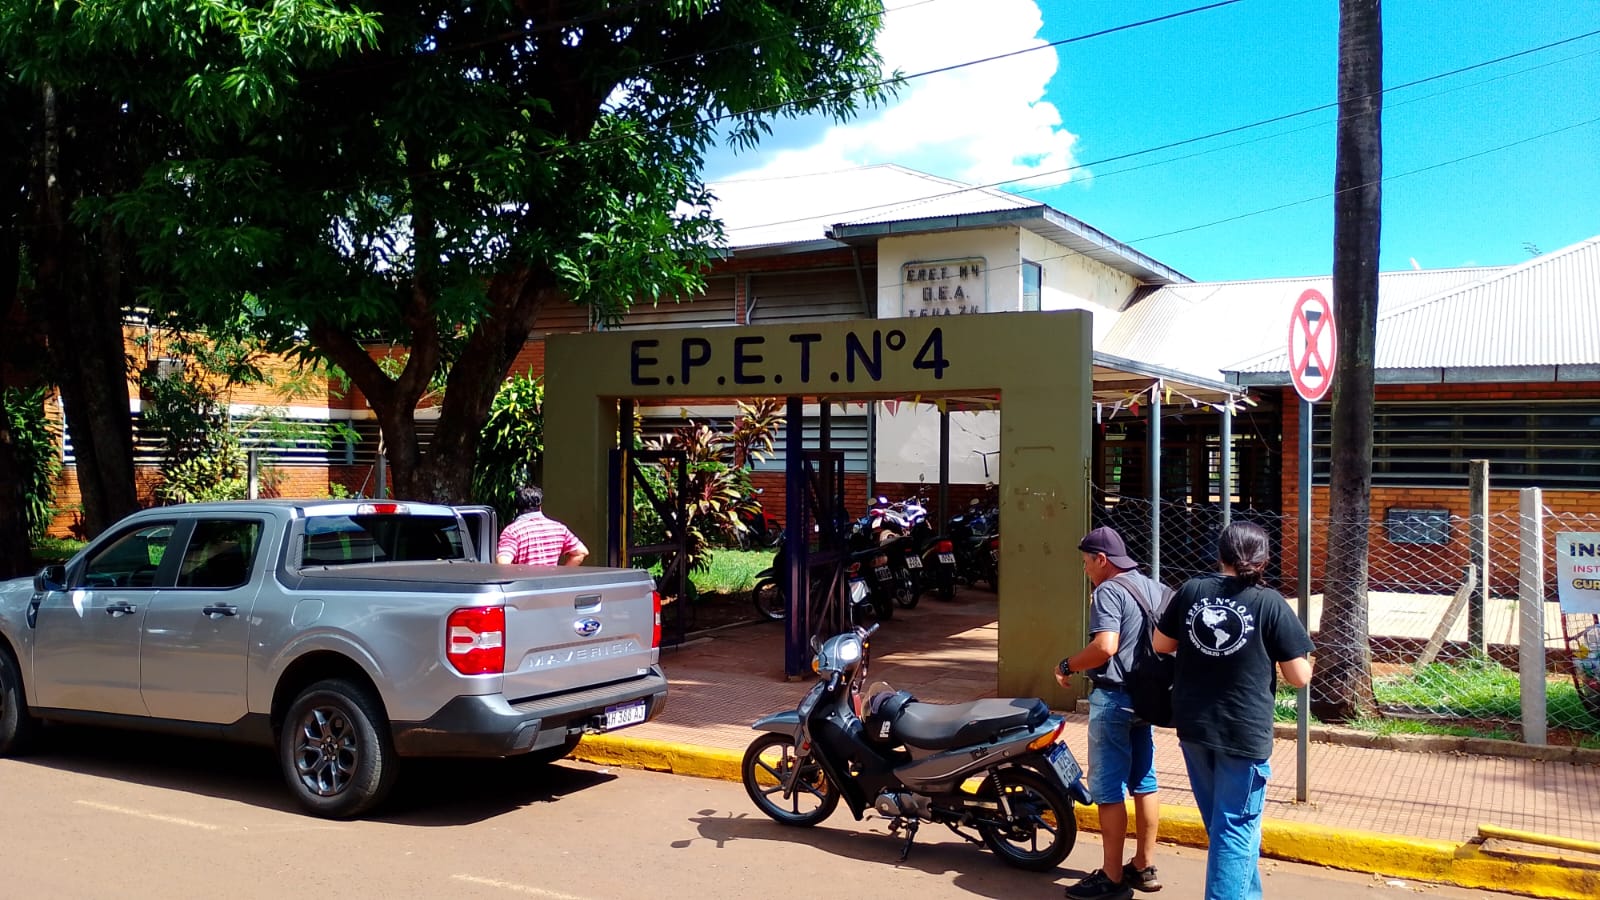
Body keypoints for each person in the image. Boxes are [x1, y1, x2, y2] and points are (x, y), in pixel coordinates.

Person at [1153, 521, 1314, 900]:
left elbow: (1162, 643)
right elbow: (1299, 677)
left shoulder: (1192, 590)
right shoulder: (1269, 602)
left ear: (1219, 554)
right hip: (1243, 732)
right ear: (1265, 560)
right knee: (1236, 829)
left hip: (1194, 726)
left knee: (1224, 827)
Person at [1057, 525, 1166, 899]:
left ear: (1101, 560)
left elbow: (1105, 647)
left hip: (1114, 699)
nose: (1085, 569)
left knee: (1107, 789)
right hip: (1147, 700)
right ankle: (1144, 866)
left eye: (1087, 562)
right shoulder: (1154, 587)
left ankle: (1111, 876)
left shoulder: (1108, 591)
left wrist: (1068, 665)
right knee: (1144, 781)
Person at [495, 485, 589, 566]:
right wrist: (560, 577)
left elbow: (503, 564)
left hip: (525, 586)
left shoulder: (512, 532)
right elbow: (581, 552)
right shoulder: (559, 528)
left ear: (516, 507)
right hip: (551, 585)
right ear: (540, 506)